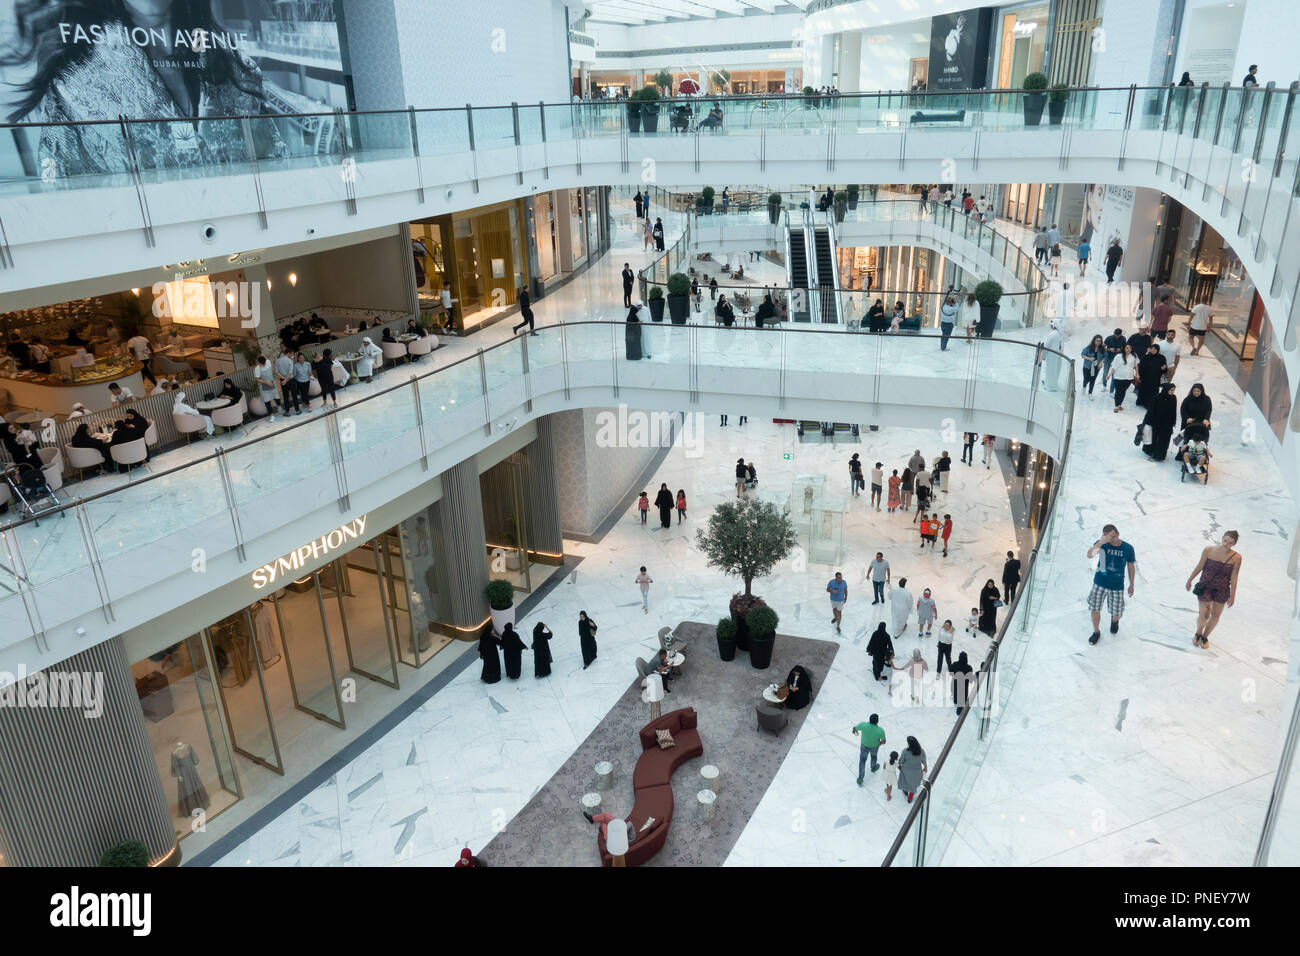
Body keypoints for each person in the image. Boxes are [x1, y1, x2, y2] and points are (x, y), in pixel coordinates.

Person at [1185, 531, 1241, 648]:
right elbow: (1200, 566)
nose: (1226, 544)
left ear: (1234, 544)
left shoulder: (1236, 557)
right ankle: (1198, 633)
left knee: (1215, 616)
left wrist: (1232, 595)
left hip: (1222, 589)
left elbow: (1234, 577)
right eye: (1225, 540)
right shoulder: (1208, 550)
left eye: (1230, 542)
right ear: (1222, 538)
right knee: (1204, 614)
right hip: (1206, 586)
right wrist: (1190, 579)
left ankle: (1205, 636)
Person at [1086, 524, 1137, 645]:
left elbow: (1131, 566)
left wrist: (1132, 584)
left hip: (1117, 586)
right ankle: (1096, 632)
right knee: (1094, 608)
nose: (1112, 540)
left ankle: (1114, 621)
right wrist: (1100, 542)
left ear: (1118, 534)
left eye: (1113, 536)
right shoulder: (1102, 544)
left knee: (1117, 613)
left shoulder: (1128, 548)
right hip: (1100, 583)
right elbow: (1089, 555)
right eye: (1109, 537)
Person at [1142, 382, 1178, 461]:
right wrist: (1147, 422)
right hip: (1156, 422)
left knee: (1163, 440)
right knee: (1153, 437)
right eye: (1171, 390)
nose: (1172, 392)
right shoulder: (1157, 397)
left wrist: (1173, 422)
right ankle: (1149, 451)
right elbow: (1151, 410)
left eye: (1173, 390)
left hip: (1167, 423)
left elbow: (1173, 411)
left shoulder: (1173, 398)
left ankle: (1159, 456)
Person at [853, 714, 887, 784]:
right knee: (874, 756)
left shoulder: (863, 725)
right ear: (877, 721)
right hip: (874, 747)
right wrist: (879, 743)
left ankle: (860, 778)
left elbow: (854, 729)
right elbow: (884, 741)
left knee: (862, 761)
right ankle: (873, 767)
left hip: (864, 746)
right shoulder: (880, 730)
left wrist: (856, 733)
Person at [1135, 344, 1167, 409]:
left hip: (1155, 378)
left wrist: (1162, 368)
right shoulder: (1146, 357)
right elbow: (1141, 366)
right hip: (1145, 377)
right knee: (1144, 390)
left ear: (1158, 350)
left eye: (1155, 349)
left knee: (1153, 391)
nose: (1153, 350)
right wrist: (1139, 375)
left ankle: (1150, 404)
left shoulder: (1161, 357)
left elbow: (1164, 367)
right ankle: (1141, 402)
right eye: (1152, 349)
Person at [897, 736, 928, 803]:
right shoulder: (921, 751)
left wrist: (899, 764)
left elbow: (901, 761)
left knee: (905, 782)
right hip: (917, 773)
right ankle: (910, 798)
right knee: (913, 785)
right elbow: (924, 761)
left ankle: (905, 791)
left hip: (906, 771)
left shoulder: (905, 751)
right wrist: (925, 767)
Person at [1111, 343, 1138, 412]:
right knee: (1118, 391)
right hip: (1118, 377)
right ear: (1124, 348)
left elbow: (1136, 366)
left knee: (1123, 391)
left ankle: (1119, 404)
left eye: (1130, 348)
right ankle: (1116, 406)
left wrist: (1137, 374)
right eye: (1127, 348)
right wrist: (1109, 375)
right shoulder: (1118, 356)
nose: (1129, 349)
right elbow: (1113, 366)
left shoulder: (1134, 356)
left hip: (1129, 377)